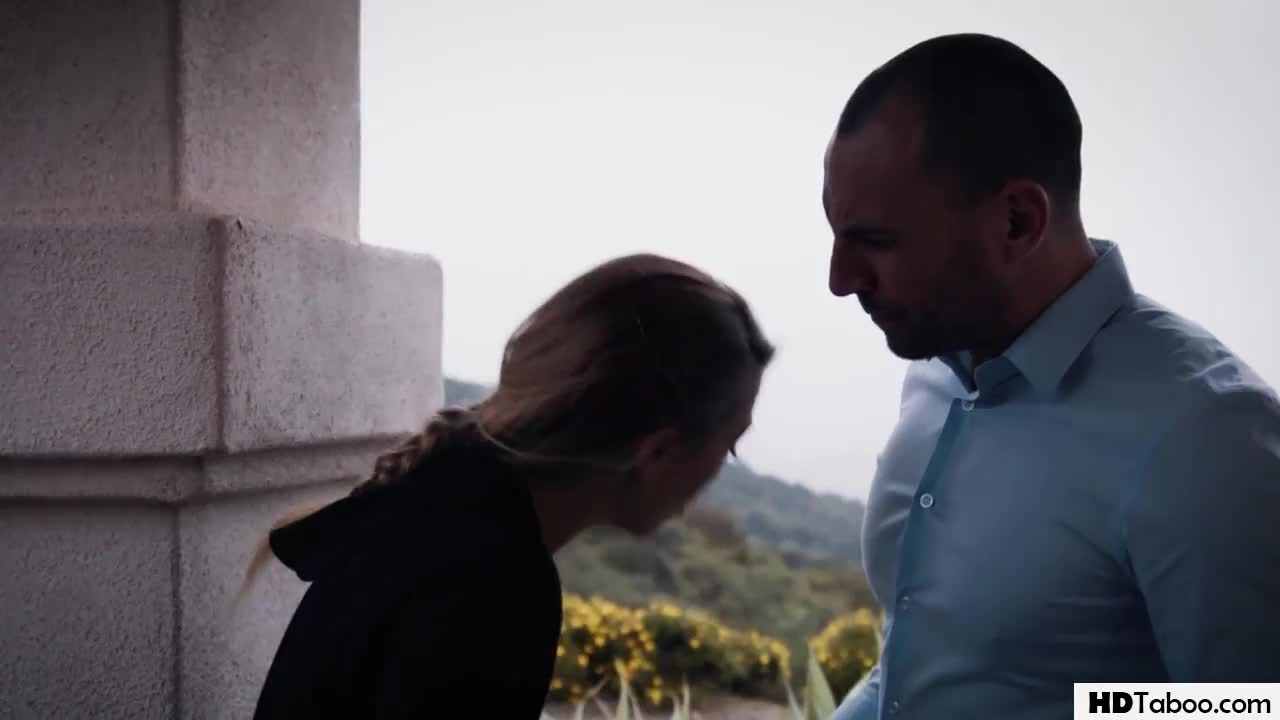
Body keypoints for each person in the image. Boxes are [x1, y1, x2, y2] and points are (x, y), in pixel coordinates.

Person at [823, 33, 1280, 719]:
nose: (840, 279)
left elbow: (1247, 706)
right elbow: (930, 664)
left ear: (1018, 221)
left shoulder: (1206, 438)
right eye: (836, 231)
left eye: (877, 242)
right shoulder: (936, 368)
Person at [244, 253, 774, 719]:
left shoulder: (439, 509)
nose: (719, 472)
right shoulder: (493, 590)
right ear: (656, 453)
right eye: (729, 445)